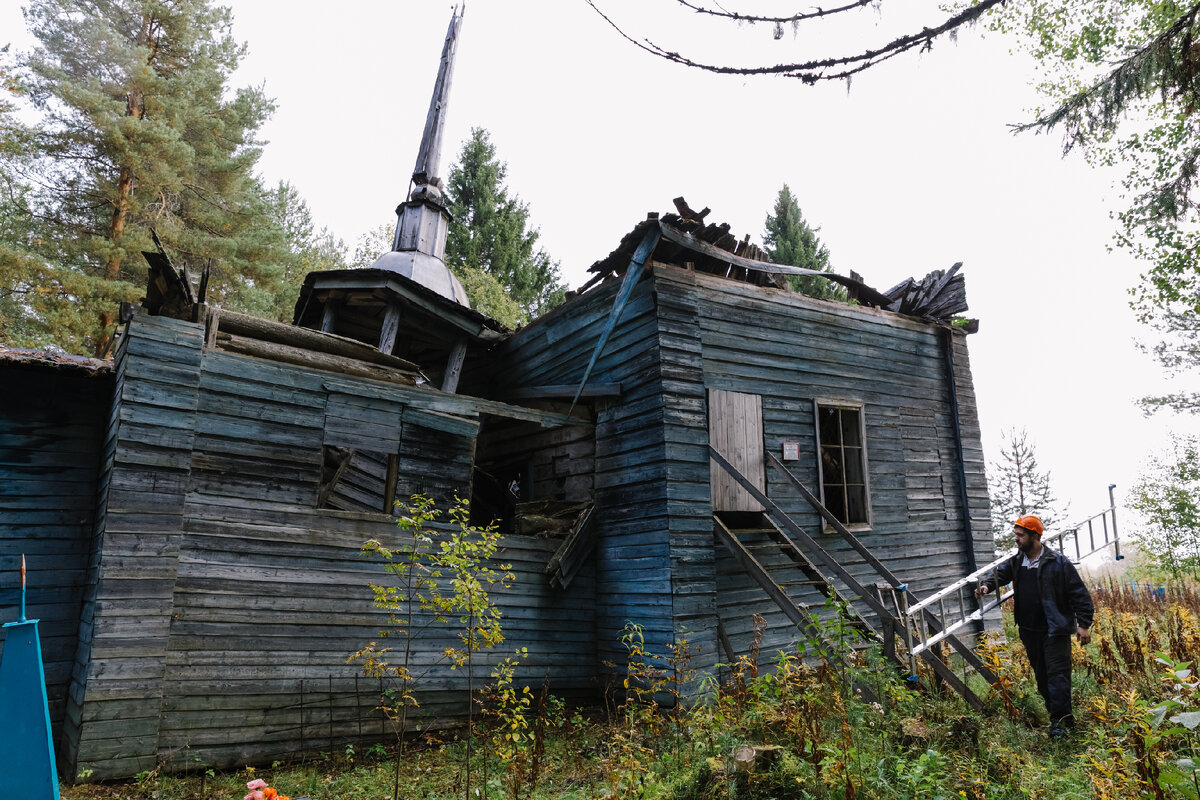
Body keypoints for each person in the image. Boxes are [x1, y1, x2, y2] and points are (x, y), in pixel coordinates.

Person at [975, 514, 1094, 737]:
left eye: (1020, 536)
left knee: (1057, 675)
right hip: (1029, 629)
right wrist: (986, 587)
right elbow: (1000, 574)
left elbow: (1079, 594)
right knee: (1041, 677)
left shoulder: (1058, 563)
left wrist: (1084, 624)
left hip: (1054, 629)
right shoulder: (1017, 561)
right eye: (1016, 535)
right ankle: (1059, 717)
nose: (1017, 540)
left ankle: (1060, 722)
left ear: (1034, 536)